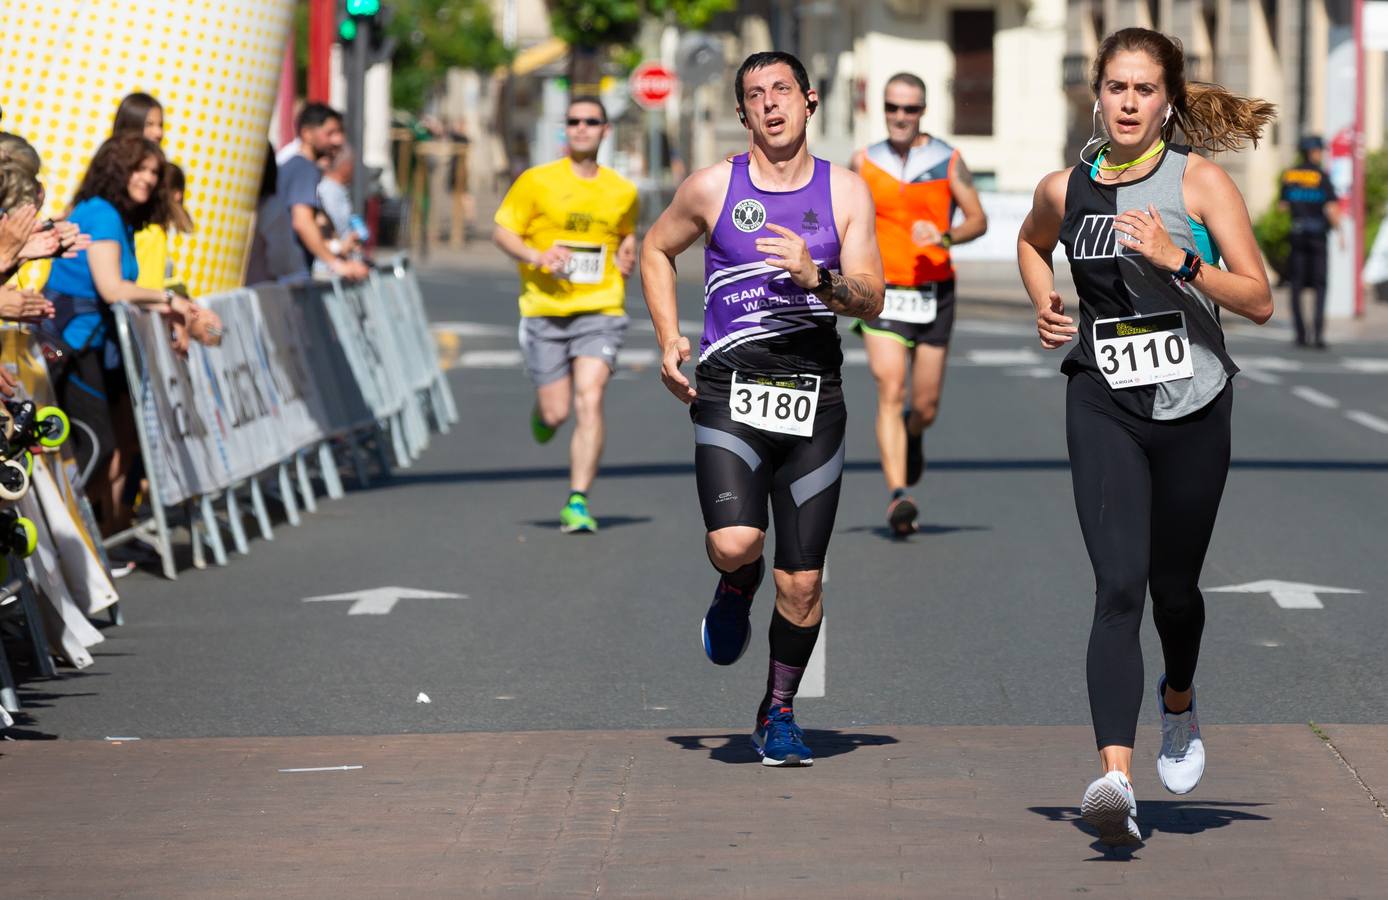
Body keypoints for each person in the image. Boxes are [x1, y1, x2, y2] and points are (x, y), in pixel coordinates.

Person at [1017, 28, 1274, 844]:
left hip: (1194, 402)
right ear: (1097, 93)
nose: (1129, 103)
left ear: (1169, 101)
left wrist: (1181, 260)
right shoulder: (1065, 187)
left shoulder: (1198, 181)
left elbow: (1260, 299)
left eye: (1145, 90)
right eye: (1117, 88)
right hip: (1103, 399)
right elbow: (1031, 242)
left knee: (1174, 590)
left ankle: (1180, 698)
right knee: (1118, 585)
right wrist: (1043, 299)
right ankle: (1115, 780)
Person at [640, 51, 884, 767]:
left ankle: (778, 712)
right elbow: (657, 250)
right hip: (730, 391)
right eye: (756, 96)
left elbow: (874, 295)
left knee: (803, 581)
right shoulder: (714, 186)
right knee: (737, 544)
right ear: (743, 113)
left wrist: (822, 279)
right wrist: (668, 338)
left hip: (816, 396)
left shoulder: (846, 193)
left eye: (783, 91)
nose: (771, 105)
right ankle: (735, 581)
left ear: (810, 101)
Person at [492, 96, 639, 534]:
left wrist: (629, 253)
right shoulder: (536, 182)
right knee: (557, 413)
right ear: (565, 130)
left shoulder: (621, 190)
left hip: (601, 308)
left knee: (590, 397)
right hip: (545, 310)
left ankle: (578, 500)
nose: (581, 128)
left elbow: (627, 235)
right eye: (573, 121)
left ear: (604, 130)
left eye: (590, 121)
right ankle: (544, 415)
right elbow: (502, 231)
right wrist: (536, 255)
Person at [850, 73, 987, 535]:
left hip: (934, 292)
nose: (900, 117)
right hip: (883, 293)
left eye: (910, 109)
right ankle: (898, 496)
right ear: (882, 109)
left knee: (924, 405)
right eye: (892, 108)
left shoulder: (947, 160)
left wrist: (945, 235)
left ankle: (915, 432)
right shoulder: (864, 162)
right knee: (890, 389)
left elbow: (978, 220)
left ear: (923, 112)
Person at [43, 134, 200, 532]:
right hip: (73, 343)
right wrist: (171, 301)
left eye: (153, 172)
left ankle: (107, 535)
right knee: (98, 448)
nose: (147, 179)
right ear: (117, 168)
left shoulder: (113, 215)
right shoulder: (104, 215)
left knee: (118, 446)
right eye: (139, 168)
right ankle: (70, 541)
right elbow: (112, 287)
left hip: (95, 344)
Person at [275, 103, 367, 282]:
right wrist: (337, 265)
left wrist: (335, 247)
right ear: (307, 134)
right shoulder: (304, 168)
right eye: (330, 133)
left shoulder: (298, 167)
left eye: (340, 132)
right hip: (290, 278)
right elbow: (302, 222)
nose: (338, 140)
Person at [1279, 135, 1341, 348]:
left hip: (1297, 235)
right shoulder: (1321, 176)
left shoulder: (1290, 175)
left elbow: (1282, 206)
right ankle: (1318, 334)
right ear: (1313, 152)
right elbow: (1332, 209)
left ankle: (1300, 334)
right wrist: (1340, 232)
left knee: (1296, 285)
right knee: (1320, 285)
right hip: (1317, 237)